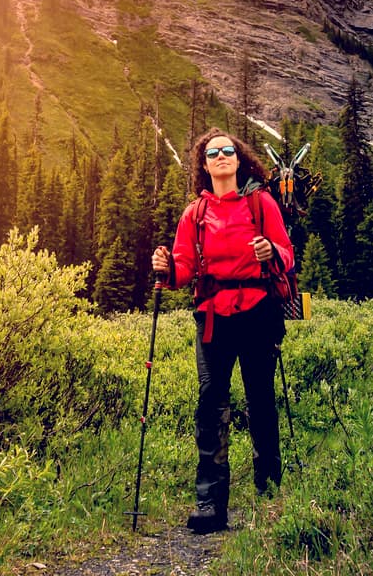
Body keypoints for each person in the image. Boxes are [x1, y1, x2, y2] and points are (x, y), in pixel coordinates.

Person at [151, 127, 295, 534]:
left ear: (239, 157)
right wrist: (167, 269)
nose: (221, 157)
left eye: (228, 151)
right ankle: (210, 503)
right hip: (213, 316)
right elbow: (184, 268)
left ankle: (270, 493)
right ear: (204, 163)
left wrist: (271, 252)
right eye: (213, 153)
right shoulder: (194, 214)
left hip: (258, 312)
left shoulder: (261, 202)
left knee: (261, 401)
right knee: (211, 402)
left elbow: (287, 253)